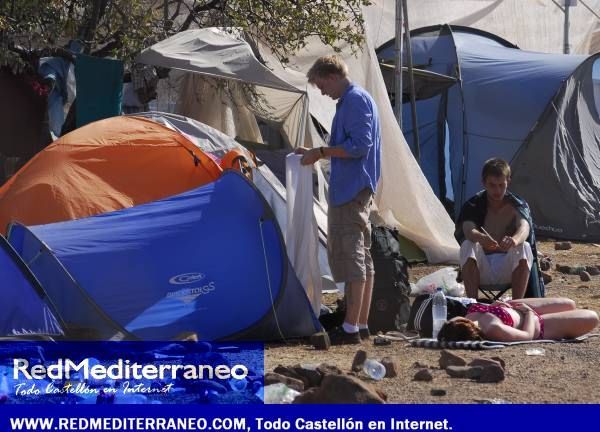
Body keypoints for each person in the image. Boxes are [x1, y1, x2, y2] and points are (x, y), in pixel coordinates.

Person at [295, 55, 381, 345]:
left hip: (351, 190)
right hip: (358, 188)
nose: (322, 92)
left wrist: (321, 152)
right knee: (363, 256)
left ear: (331, 76)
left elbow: (359, 146)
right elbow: (350, 144)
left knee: (352, 255)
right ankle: (362, 323)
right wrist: (316, 149)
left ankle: (349, 328)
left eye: (321, 85)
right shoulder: (355, 100)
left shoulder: (355, 100)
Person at [455, 157, 544, 300]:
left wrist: (514, 240)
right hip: (481, 268)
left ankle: (517, 304)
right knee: (467, 245)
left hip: (508, 267)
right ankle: (473, 304)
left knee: (524, 246)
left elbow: (524, 227)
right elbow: (468, 229)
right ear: (483, 183)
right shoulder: (474, 204)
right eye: (492, 185)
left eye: (501, 185)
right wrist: (480, 237)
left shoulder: (517, 204)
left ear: (508, 181)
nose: (497, 190)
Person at [438, 297, 598, 342]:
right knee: (592, 316)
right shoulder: (493, 329)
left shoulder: (469, 317)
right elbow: (527, 336)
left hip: (513, 307)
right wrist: (529, 313)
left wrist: (495, 306)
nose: (453, 317)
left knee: (569, 303)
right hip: (538, 324)